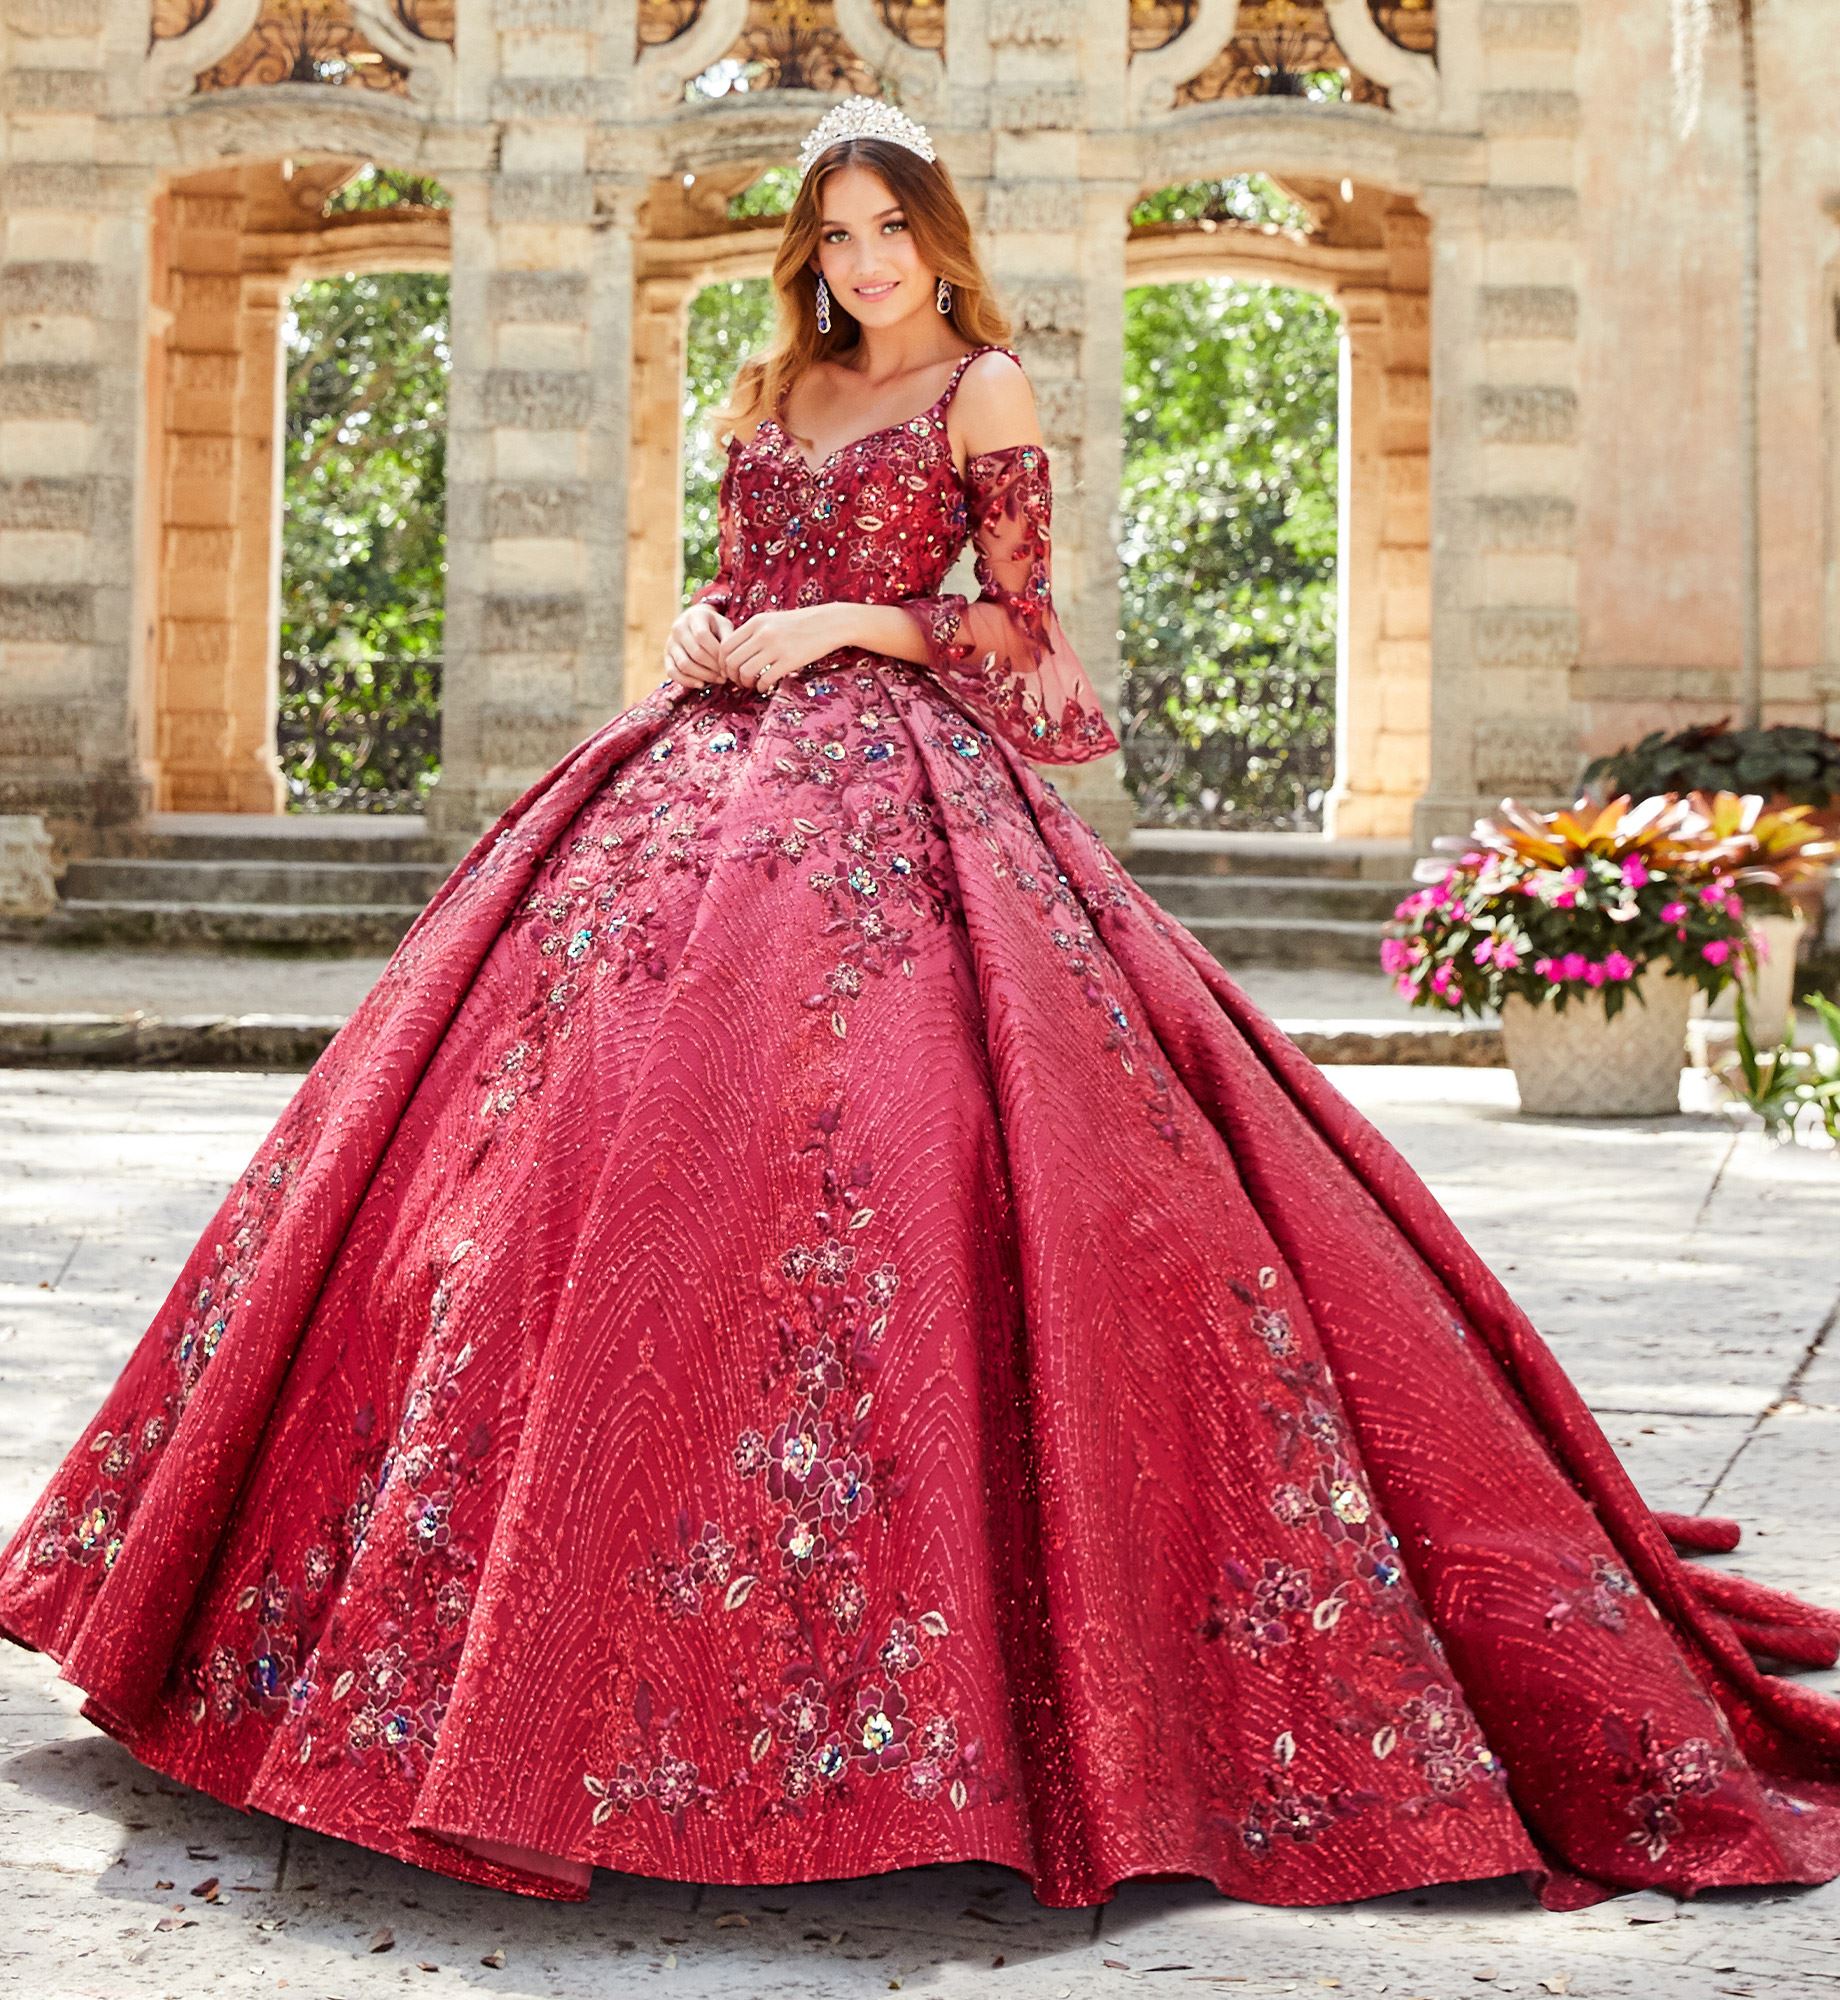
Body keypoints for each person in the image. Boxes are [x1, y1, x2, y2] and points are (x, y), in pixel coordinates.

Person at [2, 93, 1838, 1915]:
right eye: (837, 235)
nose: (864, 264)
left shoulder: (988, 391)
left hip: (898, 796)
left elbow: (1024, 634)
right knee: (530, 1135)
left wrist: (860, 627)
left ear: (937, 236)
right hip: (700, 769)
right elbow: (736, 571)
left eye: (892, 231)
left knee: (899, 1128)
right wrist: (708, 634)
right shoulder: (778, 388)